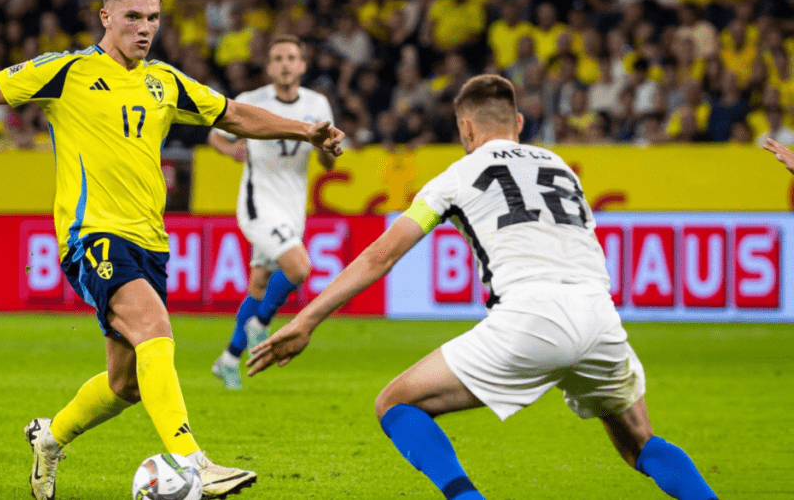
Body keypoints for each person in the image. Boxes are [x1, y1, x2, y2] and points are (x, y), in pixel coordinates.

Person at [0, 0, 343, 499]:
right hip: (91, 235)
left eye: (153, 18)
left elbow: (232, 115)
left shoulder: (164, 80)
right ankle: (194, 464)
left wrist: (307, 129)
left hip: (149, 241)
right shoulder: (66, 71)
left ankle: (50, 437)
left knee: (126, 384)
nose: (145, 28)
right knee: (154, 326)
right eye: (133, 17)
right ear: (106, 17)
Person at [248, 74, 718, 500]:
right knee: (641, 444)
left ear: (466, 129)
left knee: (396, 403)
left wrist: (307, 319)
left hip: (530, 316)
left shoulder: (455, 176)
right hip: (599, 315)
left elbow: (381, 255)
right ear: (518, 121)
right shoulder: (561, 169)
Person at [206, 34, 337, 389]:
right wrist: (228, 150)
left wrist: (329, 149)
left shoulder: (317, 104)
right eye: (277, 57)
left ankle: (229, 359)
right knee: (299, 268)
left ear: (302, 65)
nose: (284, 63)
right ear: (269, 66)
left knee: (260, 283)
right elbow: (215, 134)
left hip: (293, 205)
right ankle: (259, 325)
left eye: (291, 57)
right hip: (258, 203)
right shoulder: (250, 101)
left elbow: (325, 160)